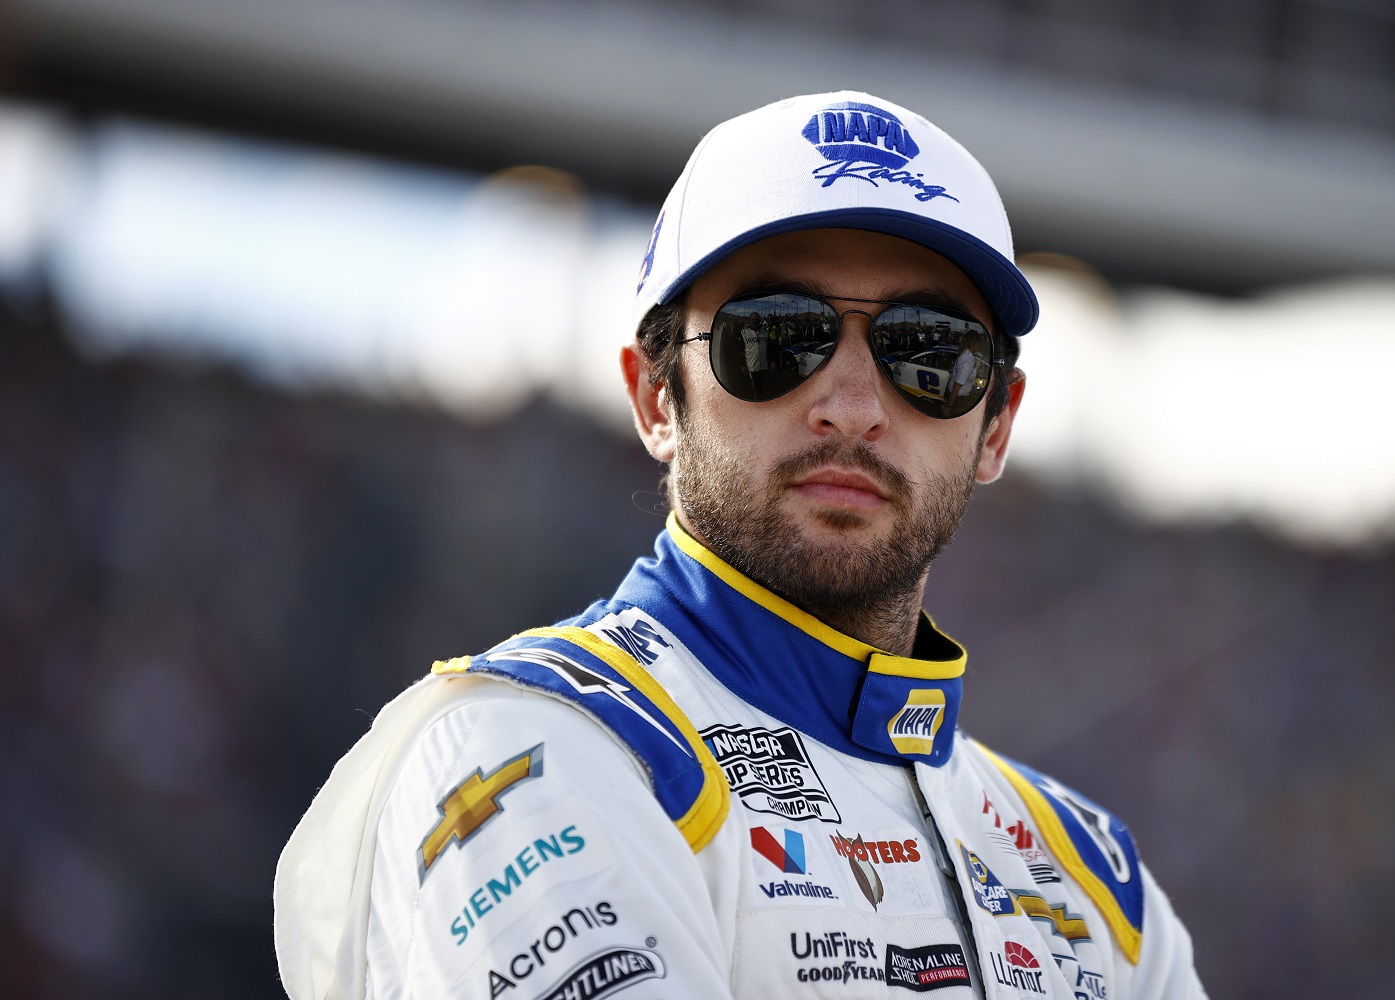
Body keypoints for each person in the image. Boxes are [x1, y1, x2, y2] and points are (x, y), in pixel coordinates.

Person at [274, 91, 1207, 1000]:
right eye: (775, 339)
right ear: (655, 396)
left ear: (996, 426)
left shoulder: (1096, 880)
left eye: (930, 350)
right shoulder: (532, 747)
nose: (851, 407)